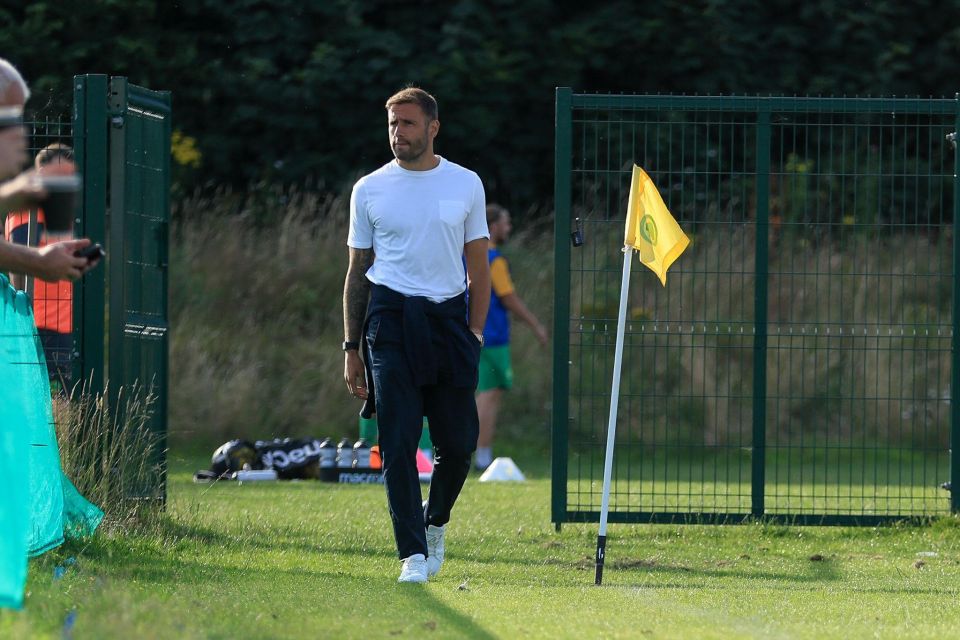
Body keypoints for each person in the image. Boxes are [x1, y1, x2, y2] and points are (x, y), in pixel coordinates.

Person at [343, 87, 490, 583]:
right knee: (398, 441)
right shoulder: (369, 189)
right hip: (389, 321)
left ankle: (434, 523)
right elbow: (356, 272)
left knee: (460, 446)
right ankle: (411, 555)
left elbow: (479, 268)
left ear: (432, 127)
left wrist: (473, 329)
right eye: (391, 124)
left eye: (407, 124)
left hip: (449, 322)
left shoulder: (466, 183)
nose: (397, 133)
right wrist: (350, 348)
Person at [474, 204, 548, 471]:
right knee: (489, 394)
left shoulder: (467, 255)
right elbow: (508, 298)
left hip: (469, 332)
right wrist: (536, 325)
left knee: (479, 392)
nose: (509, 228)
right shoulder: (494, 259)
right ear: (493, 227)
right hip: (492, 336)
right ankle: (481, 458)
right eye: (506, 223)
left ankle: (472, 454)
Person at [6, 143, 78, 392]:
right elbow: (19, 263)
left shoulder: (67, 212)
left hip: (69, 325)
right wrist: (26, 316)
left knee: (68, 404)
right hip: (42, 325)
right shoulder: (27, 212)